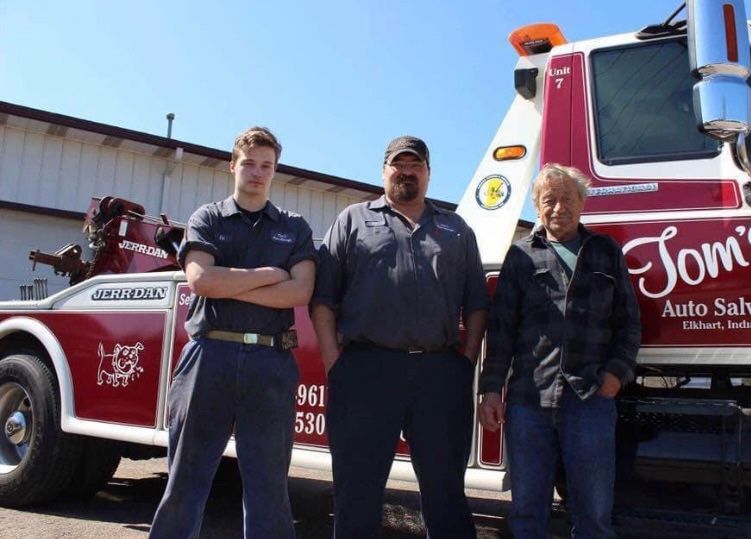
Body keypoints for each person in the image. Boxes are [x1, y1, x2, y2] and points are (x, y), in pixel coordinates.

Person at [311, 135, 489, 539]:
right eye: (398, 164)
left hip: (440, 373)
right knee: (357, 490)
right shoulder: (352, 220)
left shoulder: (456, 229)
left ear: (428, 173)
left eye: (416, 165)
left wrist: (465, 362)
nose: (406, 172)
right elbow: (323, 299)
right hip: (365, 371)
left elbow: (477, 302)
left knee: (446, 491)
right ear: (384, 170)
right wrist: (334, 362)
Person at [149, 126, 316, 539]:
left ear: (275, 170)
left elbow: (301, 291)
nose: (257, 173)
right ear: (232, 165)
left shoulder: (294, 227)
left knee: (269, 488)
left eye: (266, 165)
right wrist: (267, 276)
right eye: (249, 164)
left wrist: (235, 284)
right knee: (185, 479)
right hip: (210, 357)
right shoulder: (207, 218)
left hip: (271, 362)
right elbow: (201, 281)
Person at [477, 163, 641, 539]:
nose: (558, 207)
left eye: (567, 198)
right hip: (528, 401)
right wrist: (491, 389)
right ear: (537, 207)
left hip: (590, 398)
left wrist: (615, 375)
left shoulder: (605, 252)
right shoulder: (520, 257)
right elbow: (500, 330)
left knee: (594, 516)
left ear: (582, 203)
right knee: (526, 513)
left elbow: (628, 324)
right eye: (548, 200)